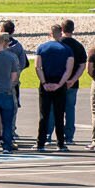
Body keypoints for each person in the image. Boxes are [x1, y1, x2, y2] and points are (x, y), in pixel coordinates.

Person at [0, 25, 26, 156]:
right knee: (7, 122)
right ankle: (7, 146)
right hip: (6, 92)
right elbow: (14, 76)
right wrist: (9, 85)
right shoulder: (11, 57)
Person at [34, 23, 77, 151]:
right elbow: (68, 70)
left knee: (44, 114)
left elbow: (37, 67)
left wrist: (44, 82)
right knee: (59, 114)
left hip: (46, 83)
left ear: (50, 33)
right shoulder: (67, 49)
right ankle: (61, 143)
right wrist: (60, 84)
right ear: (61, 33)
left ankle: (40, 142)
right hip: (60, 83)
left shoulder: (42, 48)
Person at [59, 19, 89, 147]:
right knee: (70, 110)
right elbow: (82, 65)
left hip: (57, 82)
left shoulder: (58, 44)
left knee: (54, 110)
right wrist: (74, 79)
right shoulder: (78, 46)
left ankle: (49, 135)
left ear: (62, 29)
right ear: (73, 29)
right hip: (72, 83)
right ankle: (69, 136)